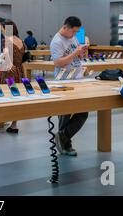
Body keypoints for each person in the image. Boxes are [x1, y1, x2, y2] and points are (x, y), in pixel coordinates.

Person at [50, 16, 89, 156]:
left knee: (83, 112)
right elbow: (58, 63)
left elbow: (77, 56)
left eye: (76, 32)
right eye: (73, 31)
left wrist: (81, 53)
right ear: (65, 27)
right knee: (65, 114)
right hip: (63, 81)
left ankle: (63, 137)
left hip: (77, 78)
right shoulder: (56, 41)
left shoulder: (72, 37)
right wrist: (75, 53)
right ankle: (65, 143)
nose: (74, 35)